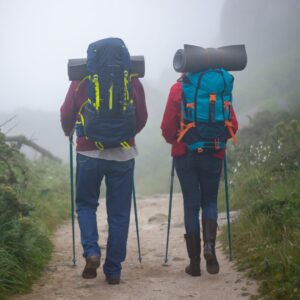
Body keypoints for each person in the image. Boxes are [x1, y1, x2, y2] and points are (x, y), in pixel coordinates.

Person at [60, 39, 147, 285]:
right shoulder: (130, 78)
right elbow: (141, 116)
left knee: (86, 205)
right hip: (123, 154)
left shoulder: (82, 77)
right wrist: (126, 136)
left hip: (88, 153)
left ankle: (92, 252)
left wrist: (69, 131)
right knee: (119, 213)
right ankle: (114, 270)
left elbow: (66, 113)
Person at [161, 74, 238, 276]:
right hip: (214, 152)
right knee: (210, 201)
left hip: (185, 154)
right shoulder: (220, 88)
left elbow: (167, 128)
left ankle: (194, 264)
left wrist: (175, 139)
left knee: (191, 205)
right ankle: (209, 247)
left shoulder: (178, 89)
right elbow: (233, 126)